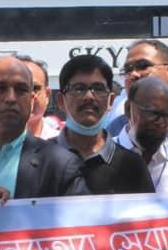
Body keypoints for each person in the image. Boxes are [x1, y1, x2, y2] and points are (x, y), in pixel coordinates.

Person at [0, 56, 89, 199]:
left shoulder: (61, 164)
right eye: (0, 88)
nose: (11, 98)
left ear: (31, 101)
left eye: (21, 90)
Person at [55, 55, 154, 194]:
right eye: (78, 88)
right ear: (60, 100)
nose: (89, 97)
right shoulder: (39, 161)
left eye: (98, 88)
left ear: (111, 100)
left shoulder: (132, 166)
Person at [114, 77, 168, 194]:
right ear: (128, 109)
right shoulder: (104, 156)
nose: (161, 122)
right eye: (152, 113)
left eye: (167, 115)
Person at [18, 55, 62, 140]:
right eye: (20, 88)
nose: (28, 96)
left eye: (35, 88)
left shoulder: (64, 145)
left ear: (47, 95)